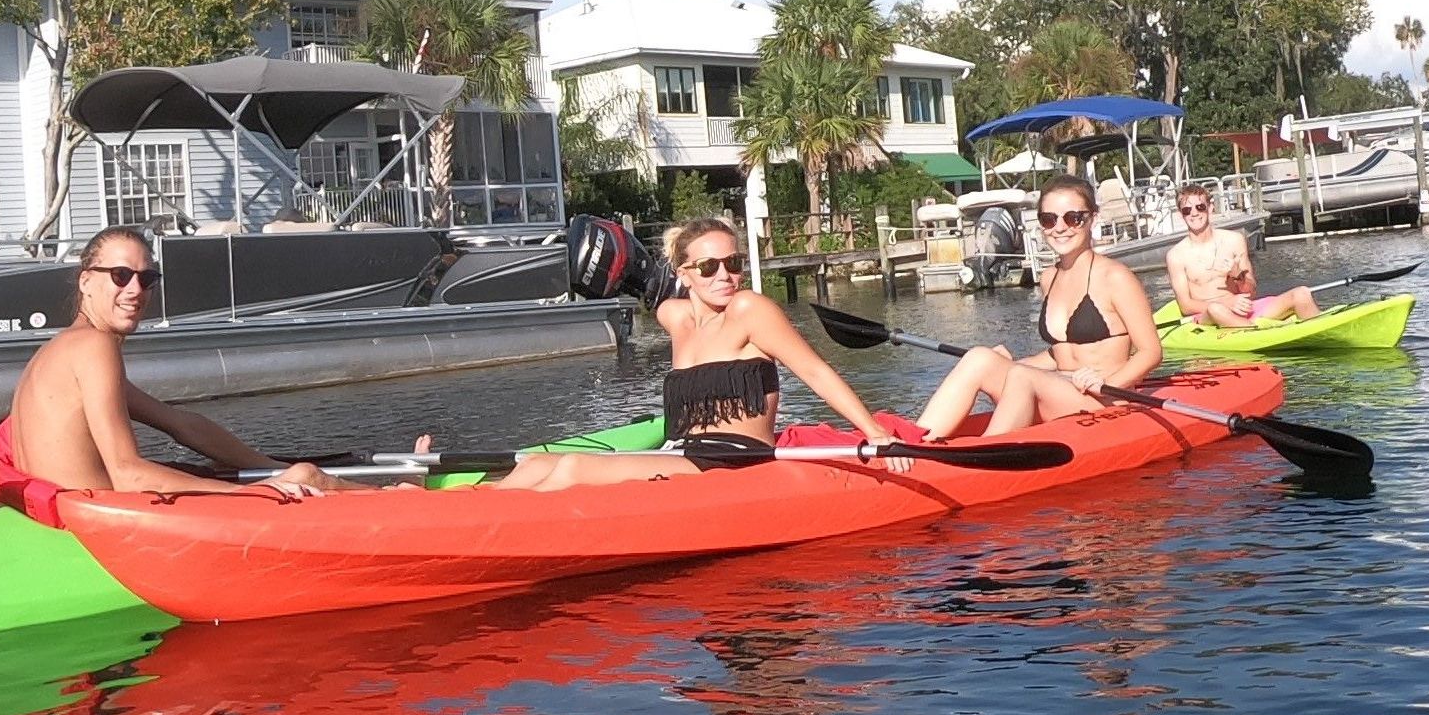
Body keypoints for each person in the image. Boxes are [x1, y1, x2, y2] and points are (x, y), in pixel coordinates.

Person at [497, 217, 905, 489]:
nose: (725, 275)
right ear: (684, 275)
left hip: (734, 462)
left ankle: (479, 526)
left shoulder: (749, 310)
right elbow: (644, 283)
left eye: (734, 263)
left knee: (573, 468)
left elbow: (815, 372)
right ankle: (447, 507)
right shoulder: (678, 318)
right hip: (684, 454)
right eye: (709, 267)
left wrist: (876, 435)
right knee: (534, 464)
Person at [7, 224, 394, 496]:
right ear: (86, 280)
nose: (135, 290)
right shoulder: (94, 347)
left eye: (147, 278)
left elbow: (181, 424)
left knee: (260, 473)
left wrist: (265, 467)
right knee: (308, 479)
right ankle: (404, 501)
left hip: (68, 513)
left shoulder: (61, 349)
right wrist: (258, 492)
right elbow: (128, 475)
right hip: (98, 528)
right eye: (121, 275)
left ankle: (393, 488)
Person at [916, 174, 1161, 438]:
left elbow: (1151, 352)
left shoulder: (1116, 277)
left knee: (1022, 377)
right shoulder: (1048, 277)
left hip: (1103, 401)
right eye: (1049, 219)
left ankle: (984, 456)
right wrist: (1007, 362)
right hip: (1060, 391)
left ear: (1092, 218)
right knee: (979, 358)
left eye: (1072, 218)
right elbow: (1060, 353)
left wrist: (1106, 384)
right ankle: (917, 440)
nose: (1060, 227)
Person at [1161, 184, 1319, 328]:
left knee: (1301, 293)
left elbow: (1251, 292)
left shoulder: (1234, 240)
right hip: (1208, 316)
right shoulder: (1176, 255)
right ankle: (1255, 332)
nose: (1194, 213)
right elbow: (1185, 305)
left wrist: (1238, 276)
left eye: (1200, 207)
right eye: (1187, 210)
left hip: (1244, 309)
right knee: (1216, 309)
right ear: (1181, 215)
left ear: (1210, 208)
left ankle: (1324, 336)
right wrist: (1227, 303)